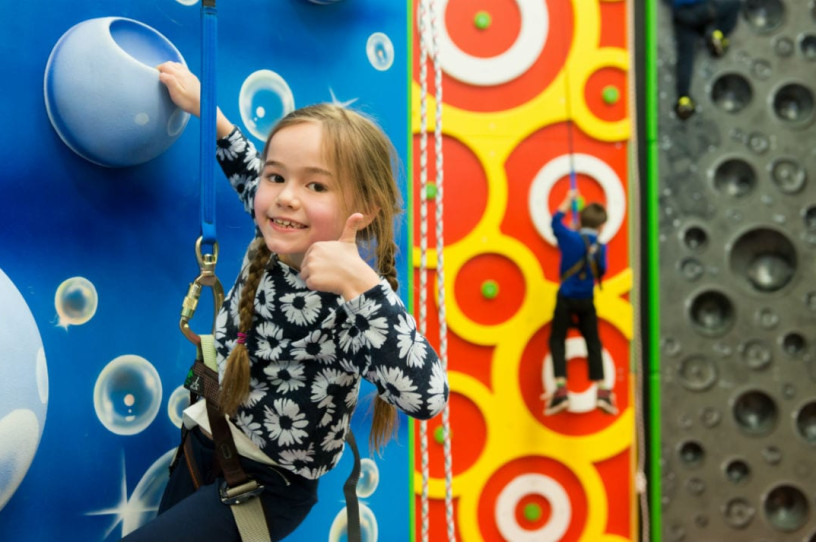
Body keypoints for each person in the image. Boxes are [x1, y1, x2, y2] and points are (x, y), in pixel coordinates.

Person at [121, 62, 449, 542]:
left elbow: (426, 396)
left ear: (366, 209)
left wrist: (362, 285)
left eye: (316, 185)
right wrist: (206, 112)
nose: (285, 198)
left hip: (266, 486)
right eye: (278, 177)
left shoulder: (353, 303)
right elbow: (248, 169)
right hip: (210, 440)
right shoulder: (281, 228)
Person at [544, 190, 616, 416]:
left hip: (566, 298)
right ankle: (602, 391)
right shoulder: (601, 246)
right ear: (601, 226)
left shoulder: (570, 238)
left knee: (557, 340)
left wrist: (567, 201)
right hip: (587, 300)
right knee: (593, 342)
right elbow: (601, 271)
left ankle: (560, 389)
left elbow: (555, 223)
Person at [671, 0, 742, 120]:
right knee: (733, 4)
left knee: (685, 57)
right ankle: (718, 34)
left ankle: (683, 99)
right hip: (702, 9)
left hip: (681, 15)